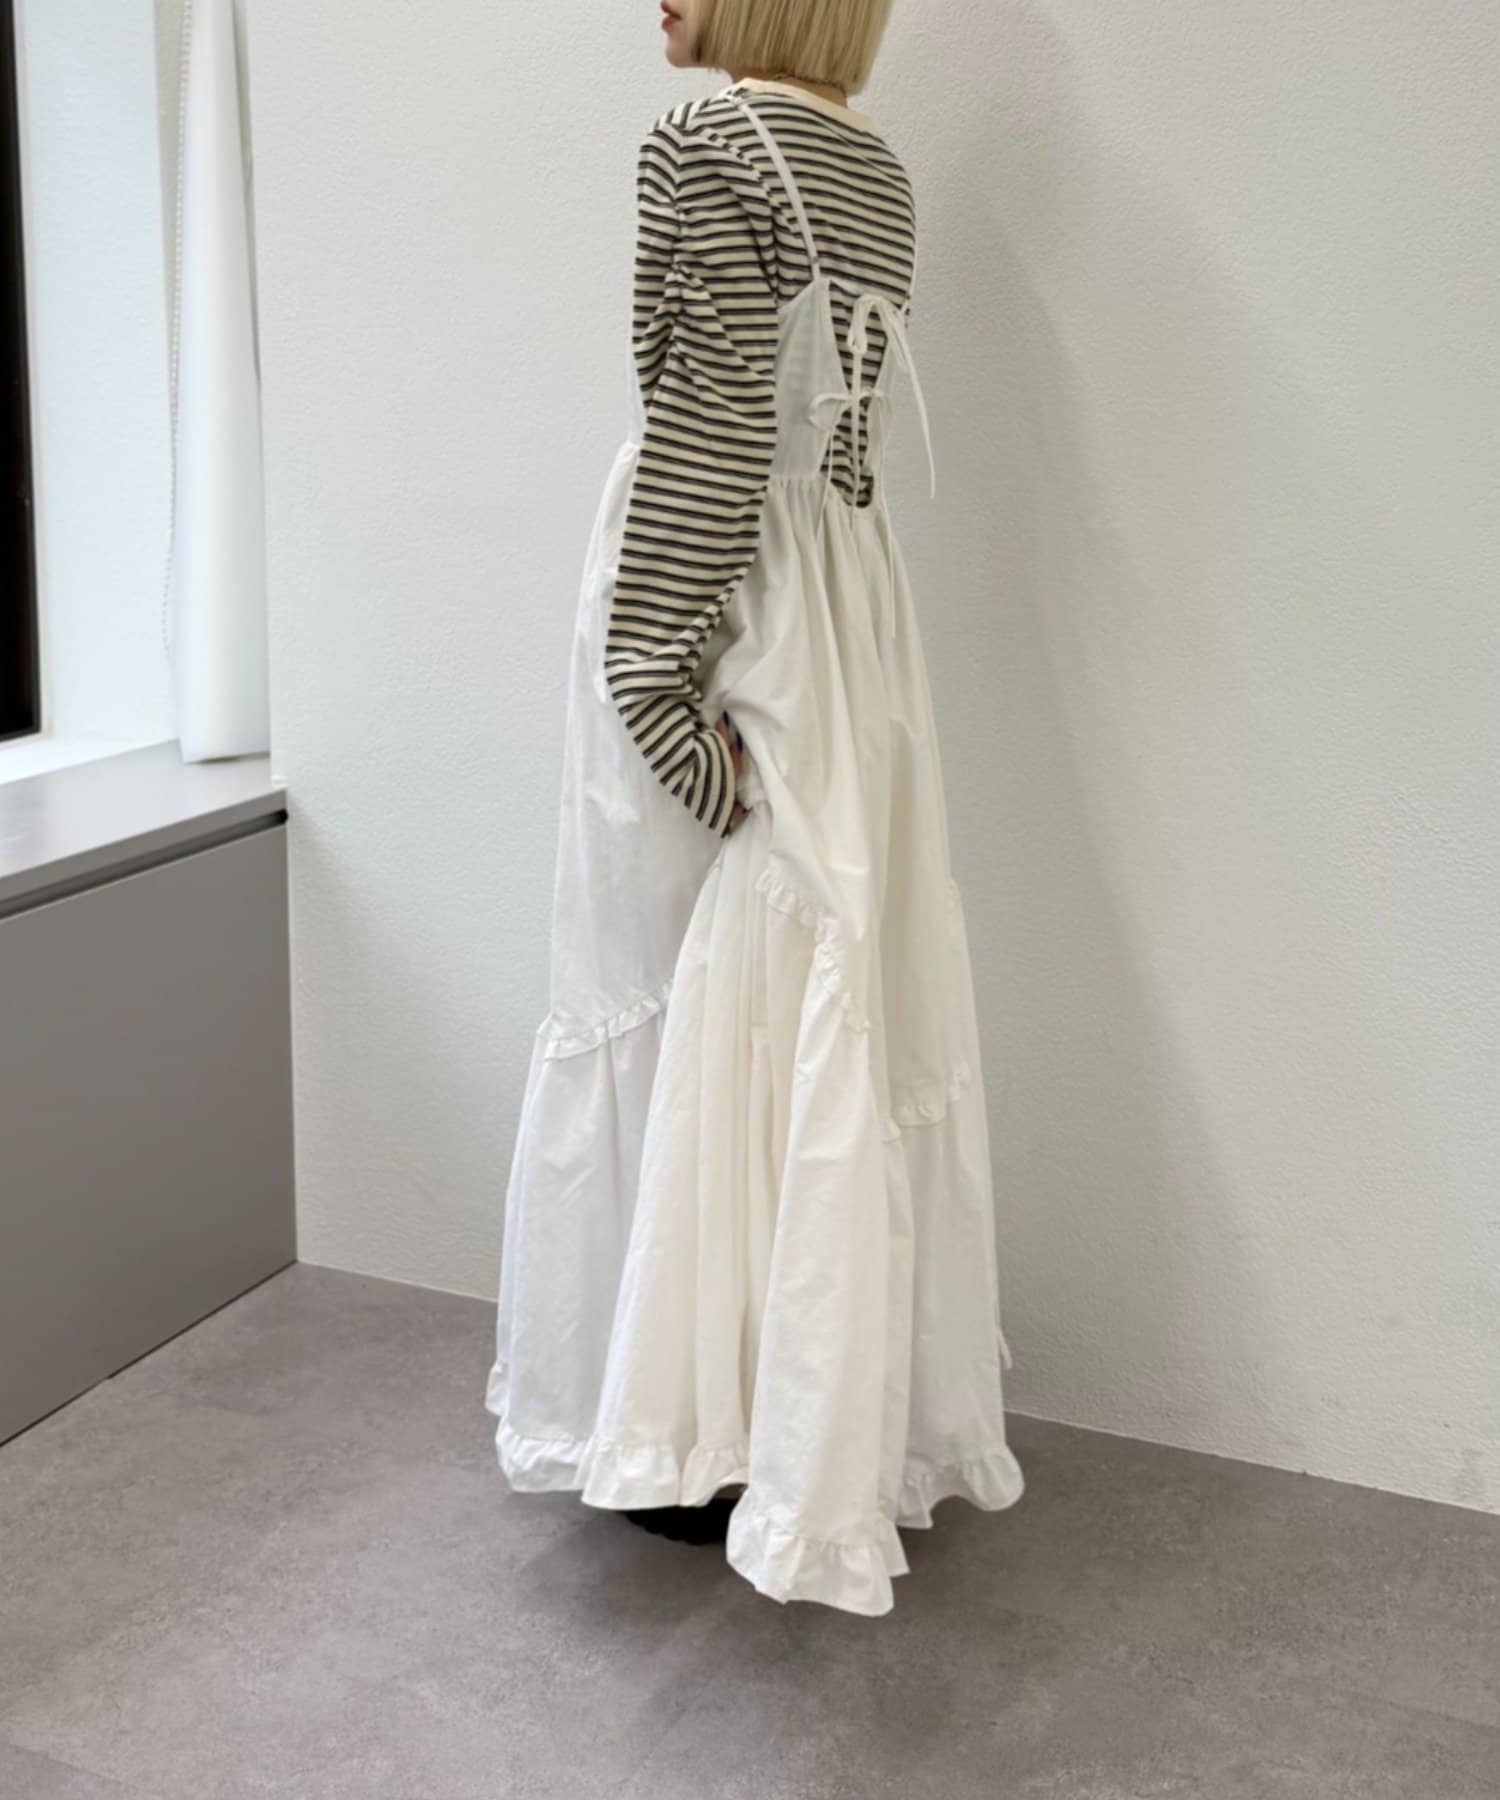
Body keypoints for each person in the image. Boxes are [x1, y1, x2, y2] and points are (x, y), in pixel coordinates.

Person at [486, 0, 1024, 1617]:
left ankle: (688, 1431)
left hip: (719, 610)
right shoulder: (877, 164)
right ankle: (780, 1419)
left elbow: (710, 431)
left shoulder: (709, 139)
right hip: (842, 620)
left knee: (678, 987)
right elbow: (825, 449)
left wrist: (653, 672)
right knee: (796, 999)